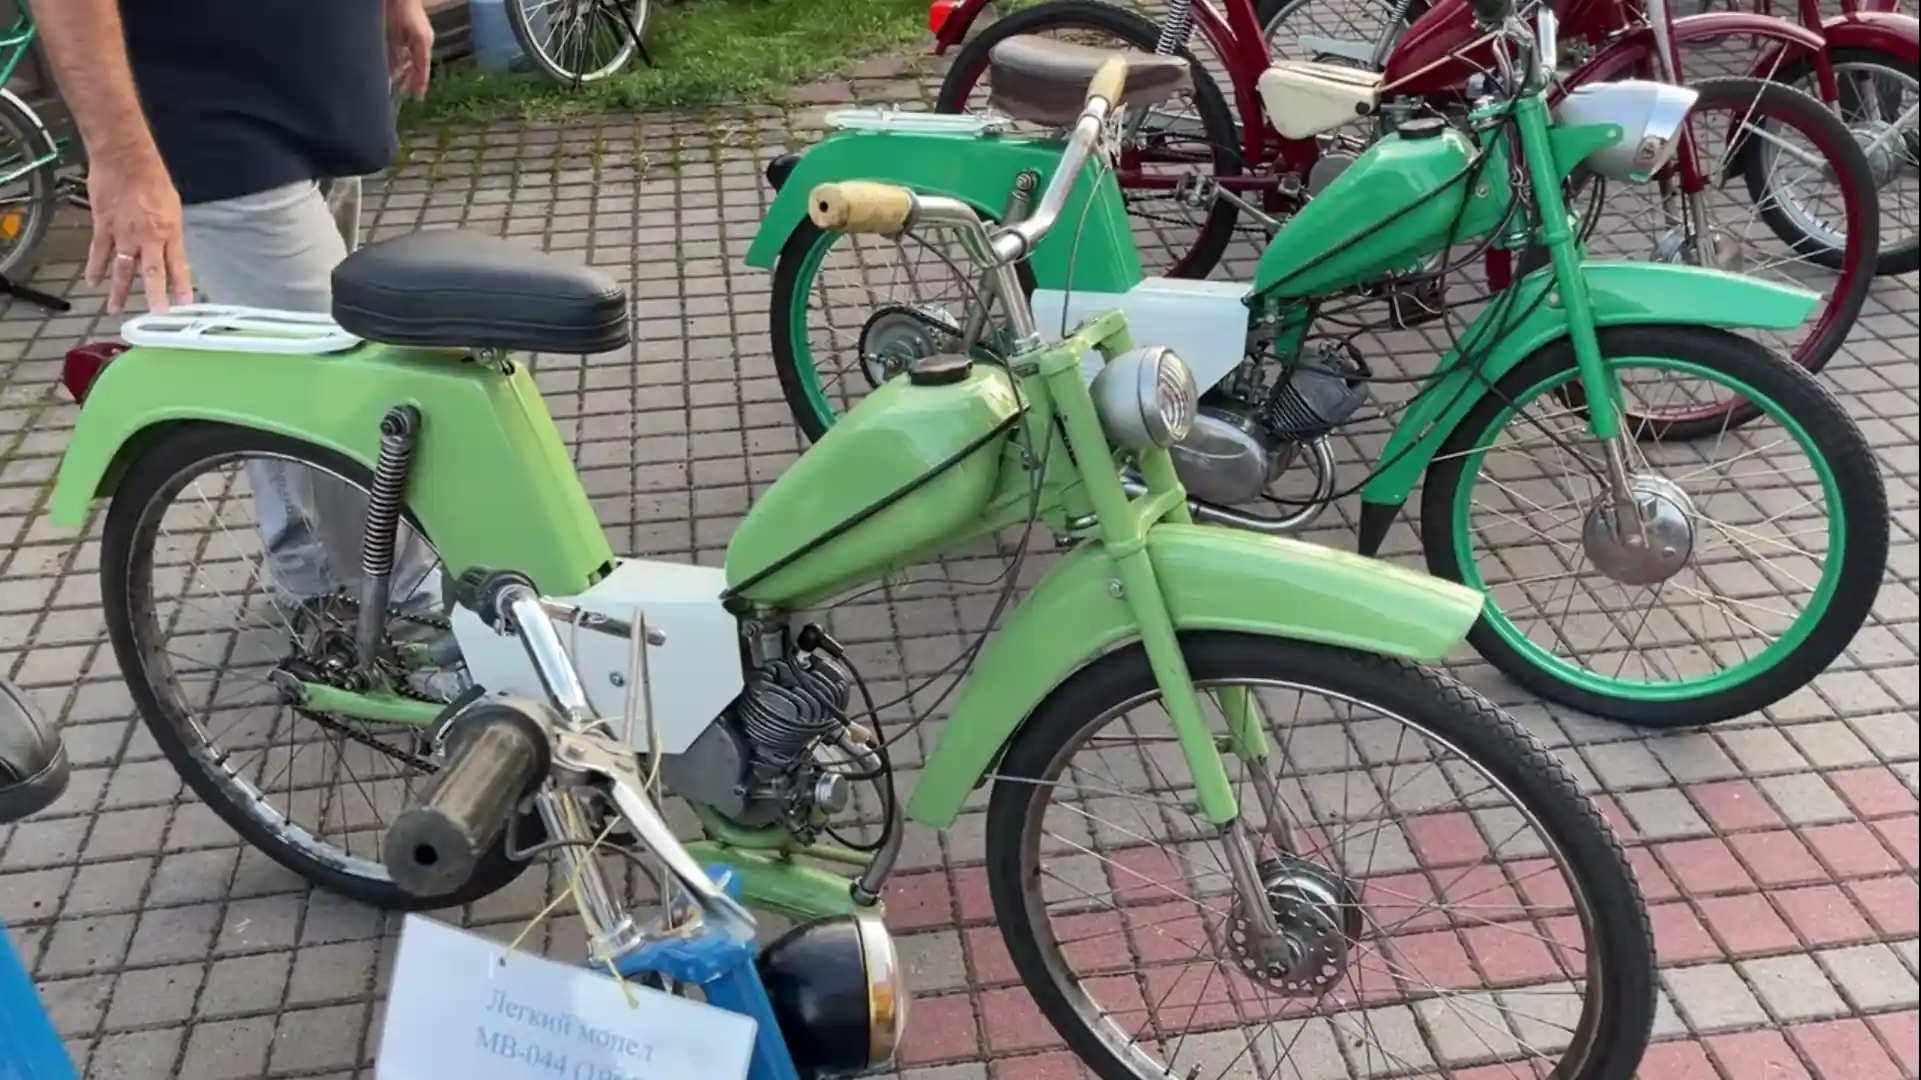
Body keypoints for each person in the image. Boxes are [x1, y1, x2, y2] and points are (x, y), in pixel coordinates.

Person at [36, 0, 440, 613]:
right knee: (340, 386)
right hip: (215, 122)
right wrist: (121, 160)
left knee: (279, 373)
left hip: (323, 92)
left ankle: (313, 582)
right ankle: (405, 612)